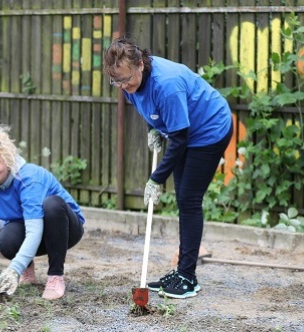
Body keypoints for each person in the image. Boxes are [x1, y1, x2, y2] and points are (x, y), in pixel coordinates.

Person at [104, 36, 233, 299]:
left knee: (189, 198)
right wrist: (153, 128)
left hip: (209, 129)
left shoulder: (167, 85)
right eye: (116, 81)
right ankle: (182, 272)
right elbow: (148, 107)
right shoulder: (128, 83)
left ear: (141, 64)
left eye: (126, 79)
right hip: (184, 130)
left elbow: (180, 139)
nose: (122, 86)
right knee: (184, 198)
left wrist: (156, 179)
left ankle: (187, 277)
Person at [0, 124, 85, 300]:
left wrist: (14, 269)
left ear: (8, 159)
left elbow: (35, 229)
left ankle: (55, 276)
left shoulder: (29, 178)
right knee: (6, 239)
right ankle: (28, 272)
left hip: (65, 229)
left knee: (52, 205)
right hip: (32, 230)